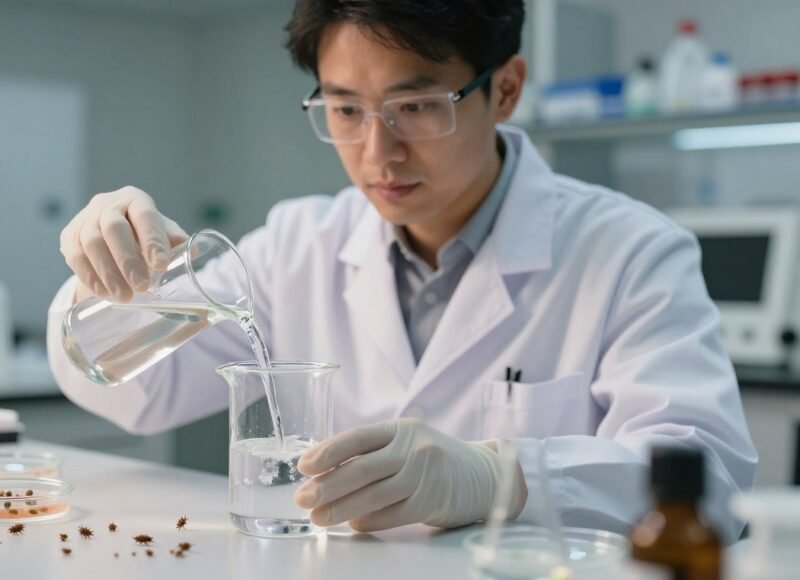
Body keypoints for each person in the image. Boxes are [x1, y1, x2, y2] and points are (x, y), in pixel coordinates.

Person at [48, 0, 756, 538]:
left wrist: (499, 476)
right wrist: (105, 278)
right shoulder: (299, 244)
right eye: (345, 109)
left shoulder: (631, 252)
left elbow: (707, 481)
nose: (377, 153)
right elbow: (139, 394)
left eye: (415, 106)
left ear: (505, 89)